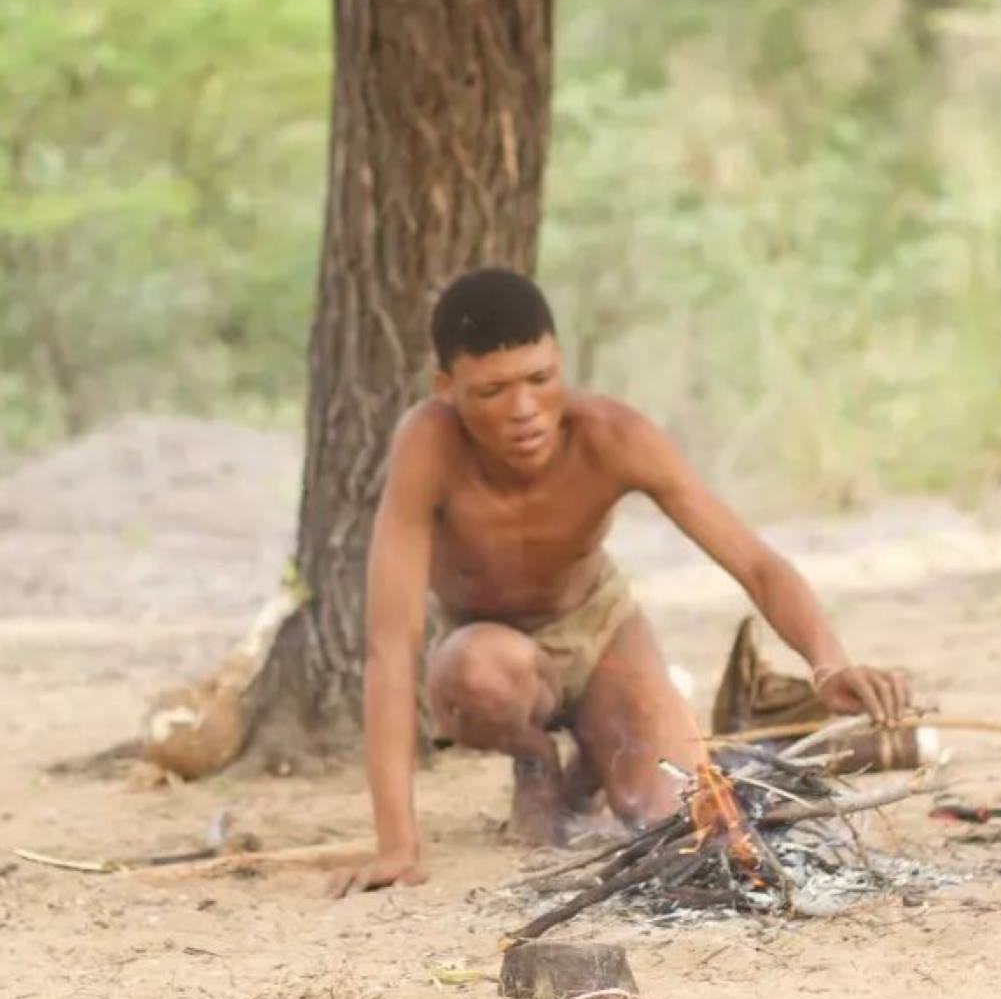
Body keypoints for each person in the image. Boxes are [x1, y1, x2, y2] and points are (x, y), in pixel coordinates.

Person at [329, 267, 912, 897]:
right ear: (447, 388)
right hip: (495, 650)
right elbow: (390, 647)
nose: (524, 410)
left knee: (673, 817)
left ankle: (596, 768)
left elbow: (756, 564)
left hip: (603, 630)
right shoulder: (427, 445)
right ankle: (536, 760)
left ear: (560, 364)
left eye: (539, 379)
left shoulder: (614, 436)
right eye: (492, 391)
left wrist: (828, 665)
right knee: (476, 673)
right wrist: (398, 845)